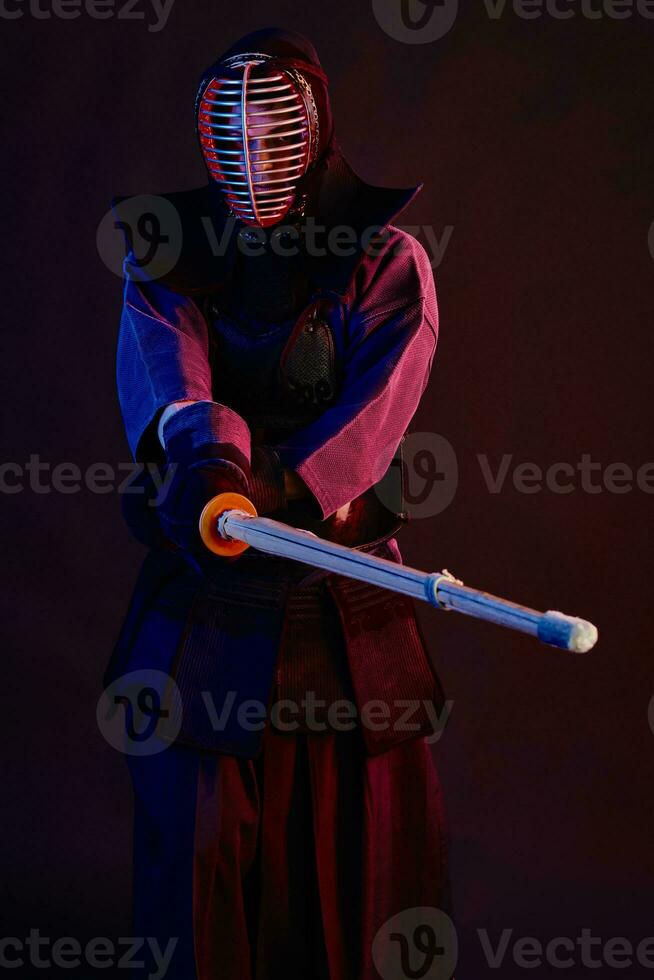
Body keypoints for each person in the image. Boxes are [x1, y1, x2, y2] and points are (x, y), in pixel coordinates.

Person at [107, 27, 449, 980]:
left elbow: (380, 405)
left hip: (339, 585)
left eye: (275, 136)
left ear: (314, 135)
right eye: (236, 140)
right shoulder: (167, 258)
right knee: (201, 839)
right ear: (211, 144)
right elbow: (172, 374)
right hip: (209, 571)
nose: (255, 161)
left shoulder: (388, 264)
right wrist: (215, 469)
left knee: (354, 847)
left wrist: (293, 487)